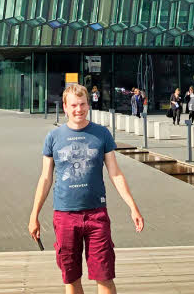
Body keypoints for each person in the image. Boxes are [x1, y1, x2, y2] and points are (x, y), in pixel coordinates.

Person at [29, 83, 145, 294]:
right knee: (71, 278)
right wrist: (34, 215)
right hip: (65, 215)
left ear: (88, 104)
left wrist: (133, 207)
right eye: (73, 105)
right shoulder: (53, 138)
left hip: (96, 215)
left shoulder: (102, 134)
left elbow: (115, 173)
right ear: (65, 107)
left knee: (105, 276)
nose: (78, 109)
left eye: (82, 104)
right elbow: (45, 178)